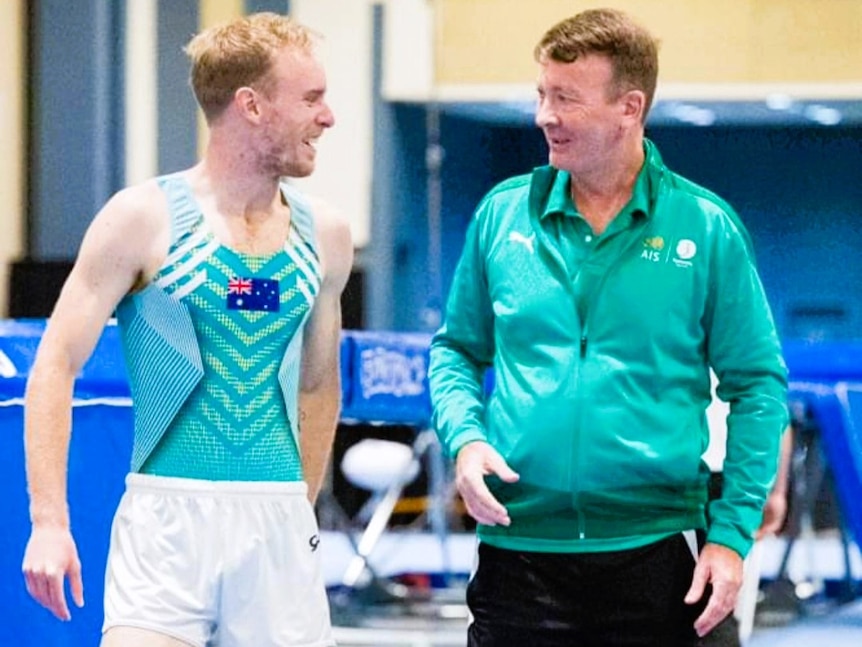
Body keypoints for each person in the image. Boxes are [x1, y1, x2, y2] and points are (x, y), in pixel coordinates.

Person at [428, 8, 788, 647]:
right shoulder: (500, 216)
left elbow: (757, 388)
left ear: (630, 107)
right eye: (542, 93)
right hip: (519, 553)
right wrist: (464, 438)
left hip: (660, 555)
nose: (544, 115)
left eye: (565, 97)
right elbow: (455, 350)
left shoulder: (705, 228)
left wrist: (731, 537)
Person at [21, 12, 352, 647]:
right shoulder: (142, 219)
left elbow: (317, 385)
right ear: (251, 106)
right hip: (166, 521)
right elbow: (57, 362)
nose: (328, 117)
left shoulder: (327, 236)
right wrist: (48, 520)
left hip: (277, 523)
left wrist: (295, 511)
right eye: (311, 99)